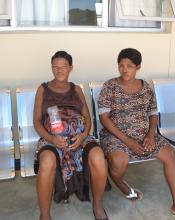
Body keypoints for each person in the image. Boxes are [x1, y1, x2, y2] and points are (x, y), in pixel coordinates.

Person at [98, 48, 175, 219]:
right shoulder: (110, 86)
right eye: (121, 65)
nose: (124, 69)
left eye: (129, 66)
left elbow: (153, 113)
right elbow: (104, 118)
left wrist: (151, 135)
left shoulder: (145, 87)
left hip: (145, 134)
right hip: (116, 135)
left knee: (169, 155)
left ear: (138, 67)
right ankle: (122, 185)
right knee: (118, 161)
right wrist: (128, 141)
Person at [33, 51, 108, 220]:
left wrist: (82, 136)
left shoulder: (76, 89)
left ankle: (97, 206)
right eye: (55, 67)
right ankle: (44, 215)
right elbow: (37, 121)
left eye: (63, 67)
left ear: (71, 68)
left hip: (78, 138)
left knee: (98, 156)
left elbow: (88, 118)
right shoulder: (43, 89)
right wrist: (52, 139)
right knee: (46, 161)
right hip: (52, 138)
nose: (59, 70)